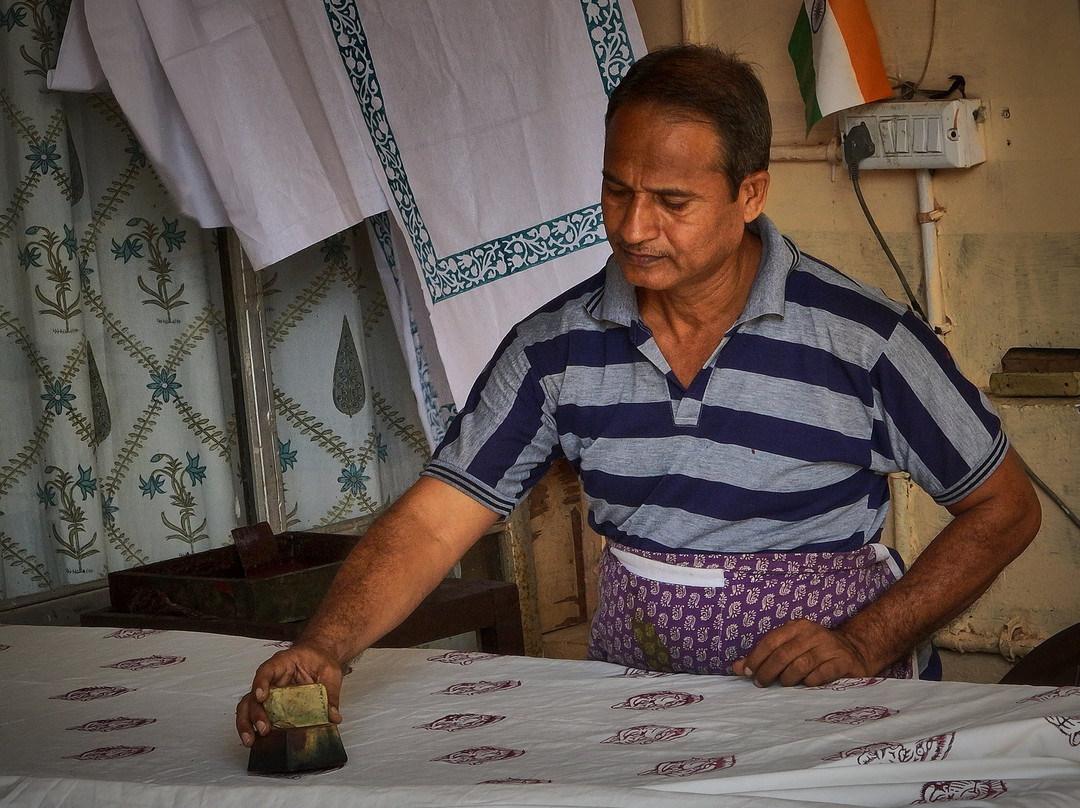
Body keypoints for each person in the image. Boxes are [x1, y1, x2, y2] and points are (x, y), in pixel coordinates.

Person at [236, 45, 1040, 746]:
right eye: (617, 191)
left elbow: (1006, 507)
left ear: (751, 195)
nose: (633, 227)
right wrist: (326, 645)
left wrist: (866, 641)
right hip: (640, 707)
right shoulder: (554, 347)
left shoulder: (862, 337)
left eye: (673, 202)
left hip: (832, 711)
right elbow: (437, 517)